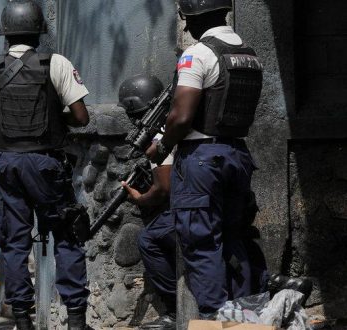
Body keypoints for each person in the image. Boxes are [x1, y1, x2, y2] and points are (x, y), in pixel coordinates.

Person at [0, 1, 91, 329]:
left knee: (14, 241)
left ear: (4, 34)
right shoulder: (57, 64)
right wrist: (56, 117)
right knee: (66, 234)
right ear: (40, 30)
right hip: (47, 163)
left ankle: (22, 320)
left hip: (7, 163)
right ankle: (77, 320)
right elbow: (82, 118)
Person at [145, 0, 265, 318]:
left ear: (196, 18)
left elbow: (181, 116)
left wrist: (161, 145)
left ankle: (216, 318)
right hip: (237, 154)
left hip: (202, 158)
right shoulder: (249, 54)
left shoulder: (198, 53)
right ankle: (246, 315)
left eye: (187, 20)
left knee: (201, 241)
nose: (186, 27)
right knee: (234, 237)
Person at [118, 75, 177, 330]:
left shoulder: (158, 134)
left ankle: (176, 309)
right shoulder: (177, 121)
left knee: (148, 239)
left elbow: (163, 189)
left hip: (188, 209)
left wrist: (141, 198)